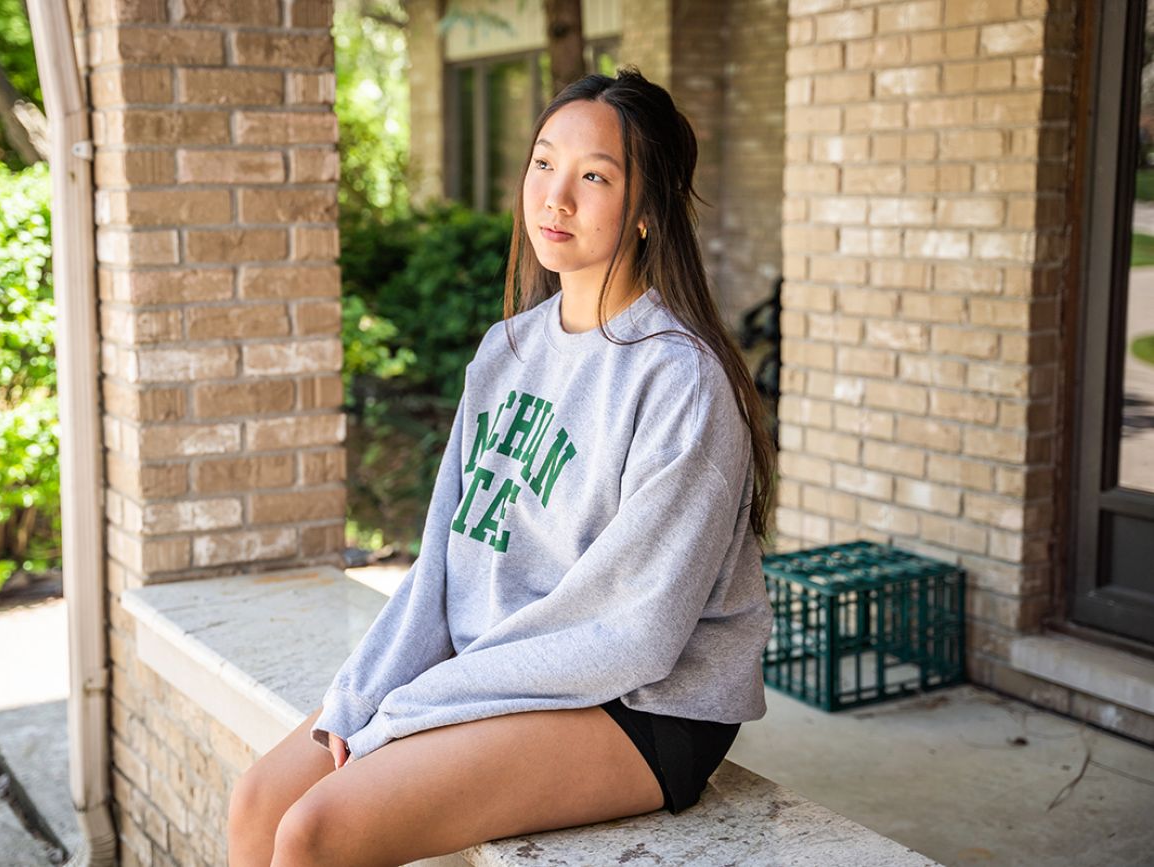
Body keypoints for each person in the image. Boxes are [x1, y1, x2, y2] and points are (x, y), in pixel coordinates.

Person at [227, 65, 777, 867]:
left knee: (318, 831)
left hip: (643, 705)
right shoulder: (506, 350)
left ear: (649, 209)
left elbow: (635, 635)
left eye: (595, 176)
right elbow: (442, 565)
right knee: (259, 803)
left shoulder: (680, 380)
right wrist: (363, 694)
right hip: (500, 671)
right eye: (545, 163)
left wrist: (417, 708)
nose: (557, 197)